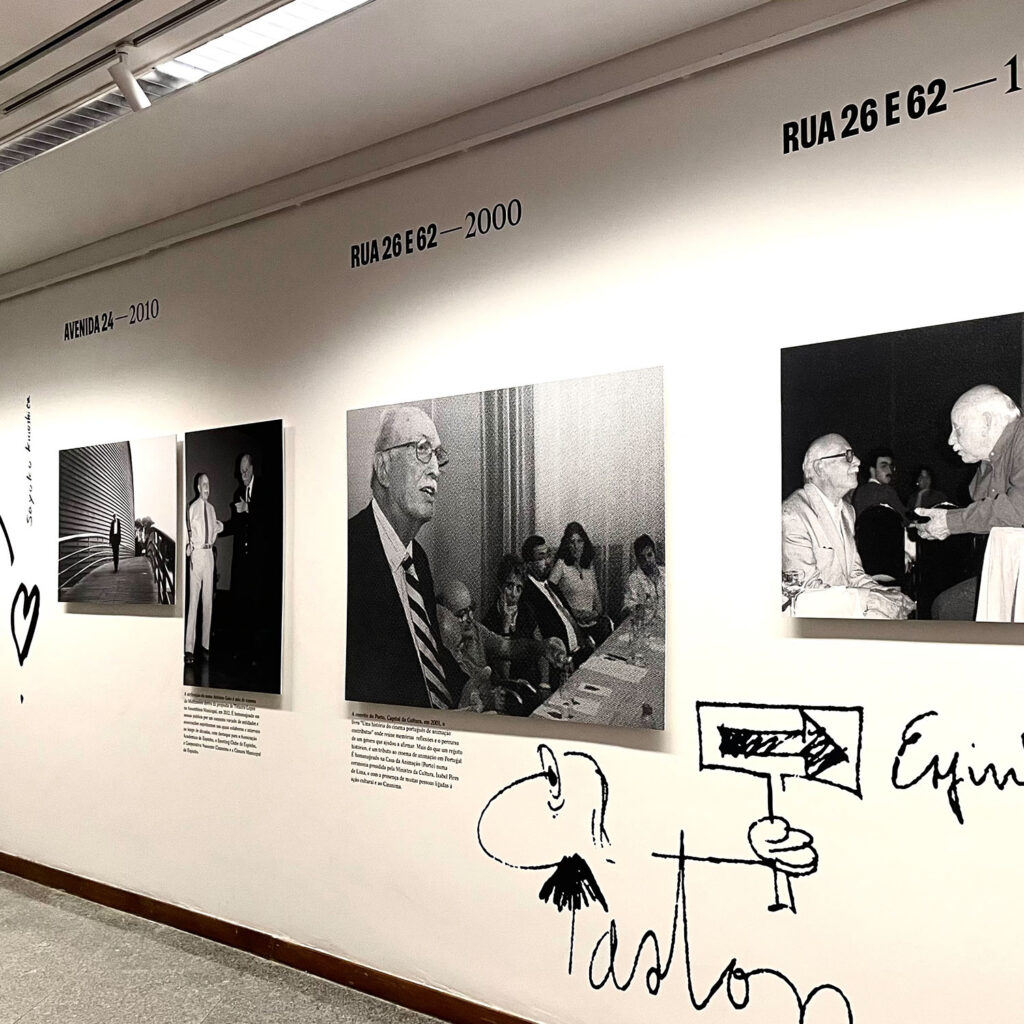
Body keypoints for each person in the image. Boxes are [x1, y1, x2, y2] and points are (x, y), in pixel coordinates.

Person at [346, 406, 466, 709]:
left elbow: (427, 652)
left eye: (437, 455)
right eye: (422, 449)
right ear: (384, 468)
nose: (436, 470)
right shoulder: (345, 554)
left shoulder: (418, 559)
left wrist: (466, 688)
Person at [916, 385, 1024, 619]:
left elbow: (1017, 510)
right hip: (1014, 568)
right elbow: (979, 497)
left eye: (958, 429)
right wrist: (987, 456)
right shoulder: (1001, 451)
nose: (950, 440)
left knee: (951, 609)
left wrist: (951, 523)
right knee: (948, 607)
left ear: (987, 422)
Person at [781, 434, 914, 619]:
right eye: (848, 456)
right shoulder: (792, 515)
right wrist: (871, 600)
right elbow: (804, 595)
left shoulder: (847, 511)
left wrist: (886, 594)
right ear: (820, 468)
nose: (857, 462)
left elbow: (854, 574)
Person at [437, 579, 566, 714]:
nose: (470, 618)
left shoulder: (476, 630)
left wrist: (542, 647)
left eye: (471, 609)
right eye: (461, 614)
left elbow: (507, 647)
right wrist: (486, 702)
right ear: (446, 618)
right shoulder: (442, 651)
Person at [519, 535, 589, 666]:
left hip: (580, 653)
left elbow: (568, 616)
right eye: (541, 558)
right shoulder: (528, 595)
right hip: (562, 663)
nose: (548, 562)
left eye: (548, 555)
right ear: (529, 564)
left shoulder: (551, 586)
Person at [482, 554, 544, 686]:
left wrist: (545, 684)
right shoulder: (489, 621)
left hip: (534, 683)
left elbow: (541, 648)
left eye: (518, 588)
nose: (514, 594)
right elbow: (505, 673)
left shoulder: (526, 610)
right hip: (511, 687)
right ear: (500, 586)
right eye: (509, 586)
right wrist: (505, 628)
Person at [548, 522, 612, 646]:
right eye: (572, 542)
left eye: (579, 541)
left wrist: (594, 614)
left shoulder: (589, 567)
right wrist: (572, 612)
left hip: (593, 624)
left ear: (584, 543)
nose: (576, 546)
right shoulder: (561, 565)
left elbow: (598, 604)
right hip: (573, 627)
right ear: (566, 544)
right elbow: (549, 592)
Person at [184, 473, 223, 665]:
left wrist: (220, 527)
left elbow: (215, 529)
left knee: (208, 601)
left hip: (209, 555)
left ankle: (205, 644)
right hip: (197, 554)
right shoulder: (192, 509)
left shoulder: (212, 509)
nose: (207, 488)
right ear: (198, 487)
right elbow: (187, 533)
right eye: (204, 485)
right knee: (194, 601)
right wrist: (188, 547)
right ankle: (189, 648)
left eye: (208, 484)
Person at [851, 447, 907, 522]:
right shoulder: (885, 490)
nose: (889, 471)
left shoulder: (860, 491)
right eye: (884, 466)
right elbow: (906, 518)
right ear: (872, 470)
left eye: (891, 466)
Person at [621, 533, 664, 620]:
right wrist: (636, 608)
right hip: (645, 623)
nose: (647, 560)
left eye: (649, 555)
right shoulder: (633, 579)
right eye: (642, 558)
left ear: (655, 554)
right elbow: (627, 606)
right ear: (638, 560)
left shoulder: (666, 573)